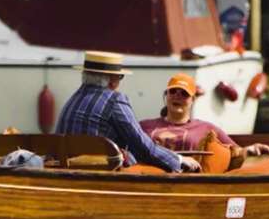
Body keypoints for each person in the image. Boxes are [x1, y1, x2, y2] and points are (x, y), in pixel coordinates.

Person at [56, 51, 201, 173]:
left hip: (66, 172)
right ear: (113, 80)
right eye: (120, 77)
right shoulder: (114, 100)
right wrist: (179, 159)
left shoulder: (73, 99)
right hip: (101, 176)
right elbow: (143, 147)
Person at [139, 73, 269, 157]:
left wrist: (252, 149)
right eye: (173, 91)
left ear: (193, 99)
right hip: (147, 180)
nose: (177, 96)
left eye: (184, 93)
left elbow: (236, 152)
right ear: (166, 95)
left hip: (188, 184)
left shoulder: (207, 128)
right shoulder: (144, 126)